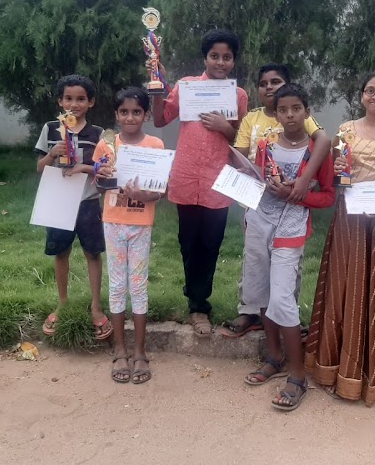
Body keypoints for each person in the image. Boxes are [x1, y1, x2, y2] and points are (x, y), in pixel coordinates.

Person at [303, 69, 375, 406]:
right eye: (370, 90)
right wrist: (340, 174)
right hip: (350, 220)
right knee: (344, 288)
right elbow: (338, 179)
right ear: (362, 95)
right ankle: (335, 367)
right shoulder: (345, 131)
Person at [240, 83, 335, 411]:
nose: (290, 115)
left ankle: (298, 376)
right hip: (259, 222)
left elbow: (328, 196)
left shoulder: (317, 151)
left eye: (296, 108)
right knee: (261, 293)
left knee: (282, 297)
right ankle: (275, 356)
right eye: (283, 110)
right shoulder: (266, 145)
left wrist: (297, 195)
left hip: (291, 228)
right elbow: (256, 181)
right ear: (276, 114)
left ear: (307, 112)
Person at [149, 30, 248, 336]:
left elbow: (243, 142)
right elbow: (161, 119)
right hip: (186, 177)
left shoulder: (238, 96)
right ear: (205, 58)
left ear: (233, 61)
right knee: (189, 244)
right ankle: (196, 304)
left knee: (211, 243)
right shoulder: (187, 86)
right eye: (214, 56)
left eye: (227, 57)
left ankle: (199, 303)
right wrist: (157, 87)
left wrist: (224, 127)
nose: (220, 62)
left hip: (219, 181)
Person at [222, 63, 332, 338]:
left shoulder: (299, 115)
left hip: (292, 210)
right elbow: (239, 155)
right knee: (255, 263)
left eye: (276, 82)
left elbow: (323, 140)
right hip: (257, 199)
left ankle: (287, 316)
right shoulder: (252, 118)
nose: (269, 87)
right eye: (264, 83)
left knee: (286, 271)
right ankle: (251, 313)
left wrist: (303, 181)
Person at [94, 88, 164, 385]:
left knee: (138, 285)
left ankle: (140, 352)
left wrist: (142, 195)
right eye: (124, 112)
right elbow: (100, 183)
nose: (130, 117)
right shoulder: (106, 144)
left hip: (140, 224)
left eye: (137, 112)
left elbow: (159, 192)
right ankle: (120, 350)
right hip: (113, 222)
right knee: (117, 285)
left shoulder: (155, 145)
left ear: (146, 115)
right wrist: (102, 176)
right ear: (116, 115)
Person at [34, 74, 112, 341]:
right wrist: (51, 154)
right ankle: (63, 303)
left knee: (92, 253)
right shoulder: (50, 129)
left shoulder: (98, 134)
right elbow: (39, 168)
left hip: (88, 201)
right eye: (68, 98)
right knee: (61, 252)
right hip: (58, 200)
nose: (74, 104)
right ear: (60, 101)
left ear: (91, 102)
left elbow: (105, 169)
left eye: (80, 99)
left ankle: (96, 306)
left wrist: (84, 167)